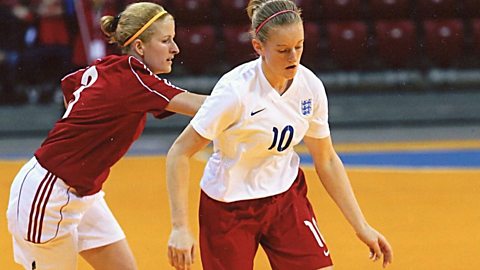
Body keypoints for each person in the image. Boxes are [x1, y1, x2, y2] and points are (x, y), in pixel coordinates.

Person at [165, 0, 393, 270]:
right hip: (229, 206)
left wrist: (361, 225)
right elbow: (179, 152)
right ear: (258, 48)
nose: (293, 57)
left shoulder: (310, 87)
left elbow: (327, 159)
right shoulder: (234, 92)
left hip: (285, 198)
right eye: (283, 50)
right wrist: (180, 227)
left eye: (299, 46)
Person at [6, 2, 206, 269]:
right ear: (139, 47)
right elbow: (205, 107)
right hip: (48, 196)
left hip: (84, 194)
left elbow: (70, 84)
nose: (175, 49)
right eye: (166, 40)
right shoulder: (134, 80)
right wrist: (255, 92)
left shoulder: (112, 67)